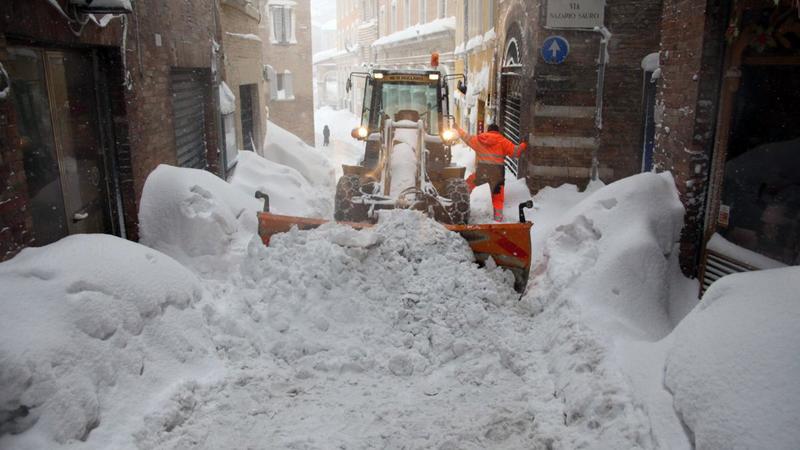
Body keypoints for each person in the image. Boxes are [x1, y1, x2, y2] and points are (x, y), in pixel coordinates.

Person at [456, 123, 527, 222]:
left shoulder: (480, 139)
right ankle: (497, 220)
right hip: (497, 173)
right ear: (497, 131)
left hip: (482, 171)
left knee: (468, 184)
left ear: (488, 131)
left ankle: (460, 202)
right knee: (497, 197)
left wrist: (457, 128)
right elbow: (516, 152)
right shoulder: (503, 141)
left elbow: (466, 138)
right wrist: (524, 143)